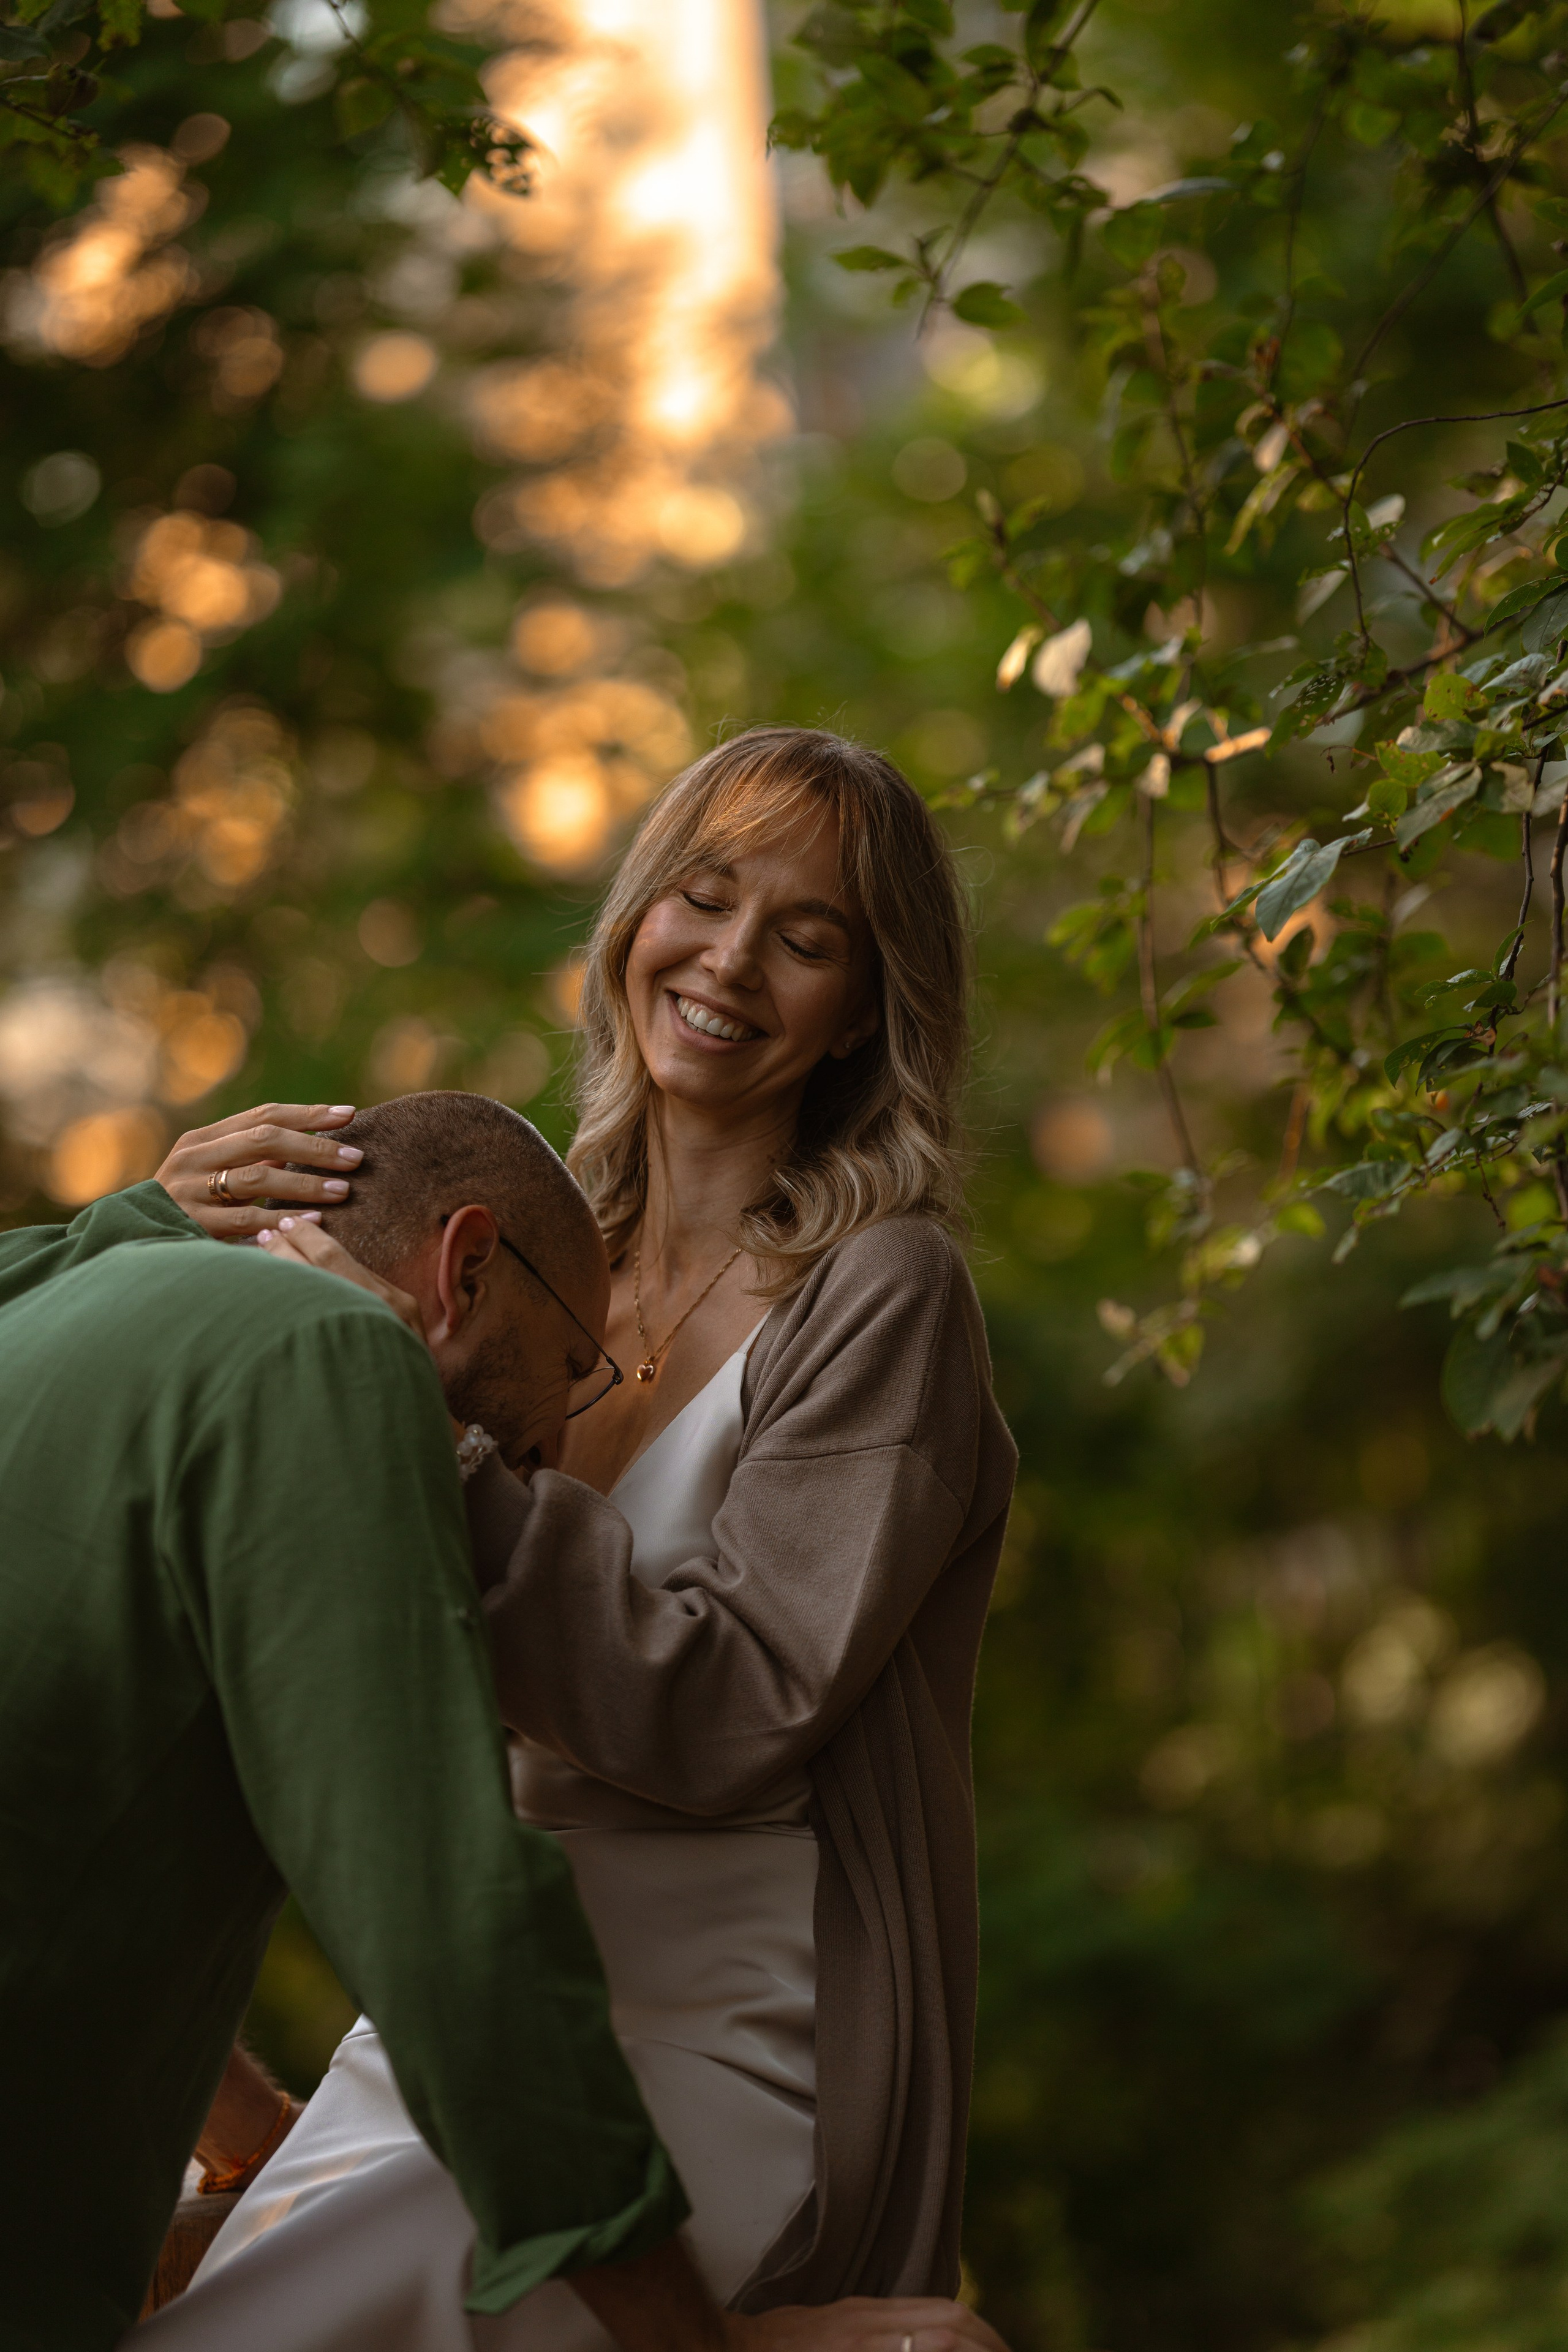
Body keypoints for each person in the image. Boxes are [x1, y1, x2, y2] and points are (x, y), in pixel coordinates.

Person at [149, 726, 1019, 2346]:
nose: (735, 961)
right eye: (705, 896)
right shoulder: (525, 1247)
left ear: (865, 1013)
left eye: (810, 938)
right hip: (458, 2007)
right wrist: (166, 1250)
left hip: (722, 2037)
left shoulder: (884, 1296)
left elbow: (739, 1714)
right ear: (634, 922)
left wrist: (409, 1432)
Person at [0, 1126, 747, 2352]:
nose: (555, 1454)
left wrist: (241, 2128)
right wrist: (707, 2345)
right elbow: (442, 1914)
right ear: (463, 1266)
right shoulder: (338, 1357)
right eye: (573, 1364)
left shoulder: (69, 1303)